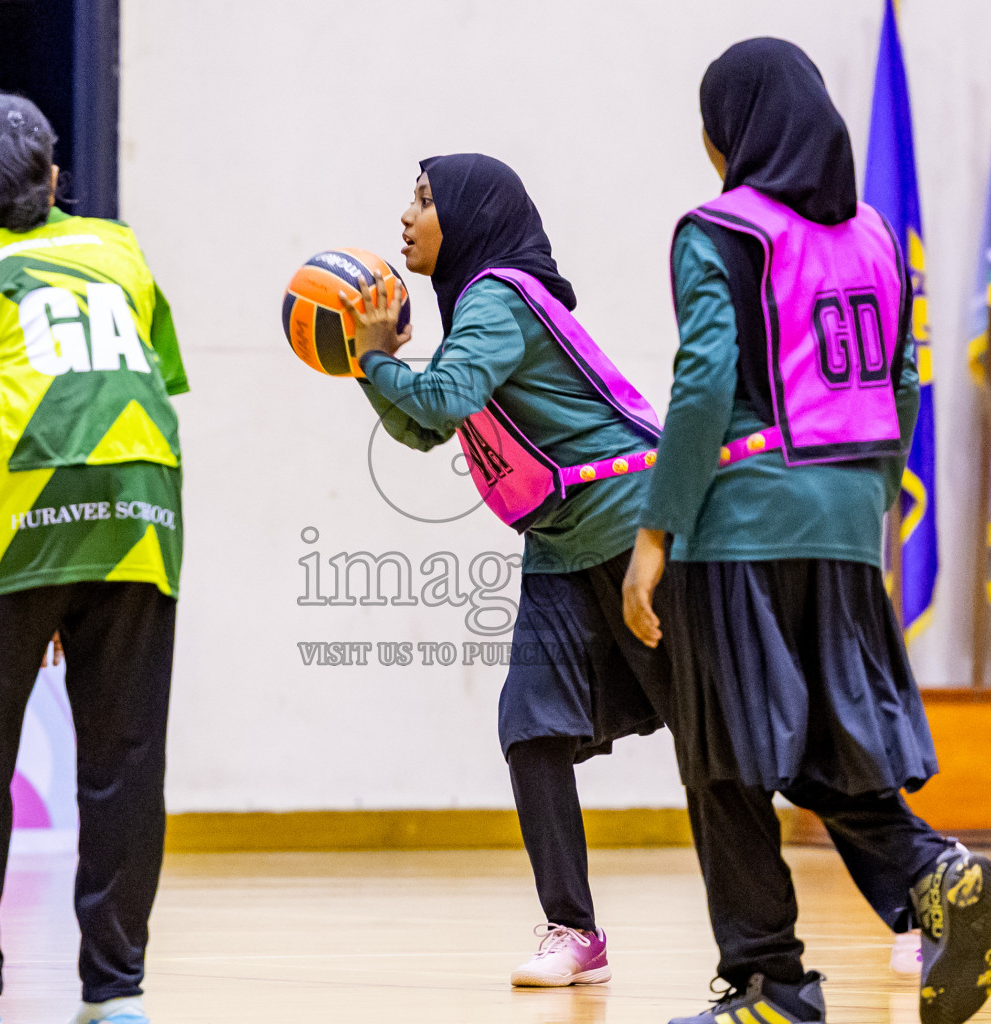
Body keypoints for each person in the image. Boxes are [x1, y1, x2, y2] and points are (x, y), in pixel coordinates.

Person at [620, 40, 991, 1024]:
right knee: (834, 745)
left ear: (732, 131)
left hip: (741, 525)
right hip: (845, 524)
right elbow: (904, 381)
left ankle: (770, 981)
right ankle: (931, 870)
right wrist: (865, 496)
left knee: (723, 755)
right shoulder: (875, 234)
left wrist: (656, 532)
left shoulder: (719, 230)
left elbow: (703, 381)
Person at [0, 94, 187, 1024]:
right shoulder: (119, 251)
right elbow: (145, 382)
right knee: (127, 763)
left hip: (20, 515)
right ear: (56, 180)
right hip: (139, 511)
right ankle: (116, 994)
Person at [342, 153, 671, 987]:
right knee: (531, 726)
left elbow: (440, 402)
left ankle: (909, 882)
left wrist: (378, 360)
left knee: (735, 726)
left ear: (470, 212)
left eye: (422, 200)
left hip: (637, 532)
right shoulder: (478, 311)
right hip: (562, 545)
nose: (405, 218)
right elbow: (425, 428)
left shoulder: (494, 295)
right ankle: (574, 932)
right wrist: (369, 364)